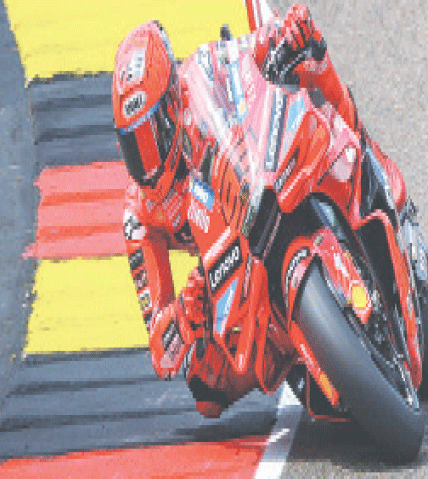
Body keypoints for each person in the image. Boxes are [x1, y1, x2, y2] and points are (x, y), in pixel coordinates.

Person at [111, 4, 406, 418]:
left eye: (151, 133)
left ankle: (366, 150)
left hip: (260, 178)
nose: (148, 161)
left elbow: (255, 47)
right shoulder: (140, 215)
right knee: (206, 388)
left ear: (173, 100)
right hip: (226, 267)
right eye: (133, 146)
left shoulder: (203, 70)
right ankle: (301, 349)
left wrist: (288, 32)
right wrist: (186, 312)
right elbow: (162, 353)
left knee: (308, 54)